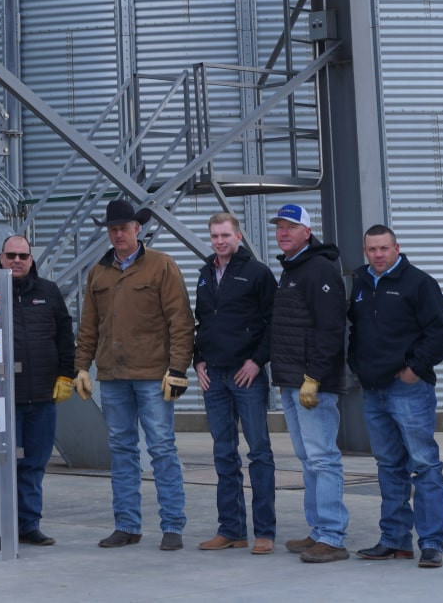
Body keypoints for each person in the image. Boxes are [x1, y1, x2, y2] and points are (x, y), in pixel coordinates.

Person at [73, 198, 193, 551]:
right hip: (112, 376)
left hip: (153, 375)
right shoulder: (98, 272)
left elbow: (181, 320)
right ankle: (126, 525)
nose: (118, 235)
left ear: (137, 229)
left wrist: (177, 369)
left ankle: (172, 526)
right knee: (121, 449)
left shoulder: (161, 265)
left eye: (124, 228)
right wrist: (81, 367)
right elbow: (89, 326)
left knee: (161, 448)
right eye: (112, 230)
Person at [348, 224, 443, 569]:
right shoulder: (361, 284)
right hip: (373, 390)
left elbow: (439, 332)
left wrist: (415, 369)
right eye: (372, 249)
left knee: (424, 464)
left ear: (397, 248)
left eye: (384, 248)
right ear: (365, 251)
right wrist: (357, 366)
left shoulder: (419, 283)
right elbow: (355, 330)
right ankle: (395, 540)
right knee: (388, 465)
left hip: (408, 389)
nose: (378, 255)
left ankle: (432, 543)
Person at [268, 202, 350, 565]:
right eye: (279, 227)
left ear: (307, 232)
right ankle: (318, 530)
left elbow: (331, 328)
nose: (283, 233)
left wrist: (314, 376)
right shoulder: (292, 269)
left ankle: (332, 536)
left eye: (290, 227)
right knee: (307, 458)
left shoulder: (319, 270)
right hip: (291, 380)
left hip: (312, 381)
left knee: (323, 458)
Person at [193, 211, 277, 554]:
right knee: (224, 454)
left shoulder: (258, 273)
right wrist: (198, 359)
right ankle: (231, 530)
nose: (219, 241)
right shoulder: (205, 274)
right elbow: (202, 321)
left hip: (246, 376)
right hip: (213, 376)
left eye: (225, 235)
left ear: (238, 237)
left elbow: (273, 323)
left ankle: (265, 532)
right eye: (214, 236)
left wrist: (257, 362)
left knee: (259, 453)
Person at [0, 233, 75, 547]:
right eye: (11, 256)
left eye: (23, 256)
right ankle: (1, 525)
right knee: (2, 465)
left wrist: (66, 375)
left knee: (34, 464)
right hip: (2, 398)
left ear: (31, 260)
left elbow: (65, 336)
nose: (17, 261)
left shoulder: (48, 292)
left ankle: (29, 525)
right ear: (1, 258)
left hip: (42, 396)